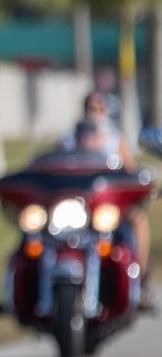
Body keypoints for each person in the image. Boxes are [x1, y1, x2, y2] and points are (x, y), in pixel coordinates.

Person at [65, 90, 153, 308]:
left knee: (138, 221)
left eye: (99, 108)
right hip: (79, 207)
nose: (95, 113)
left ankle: (140, 281)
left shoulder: (115, 139)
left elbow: (131, 173)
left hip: (110, 207)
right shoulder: (71, 139)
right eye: (91, 108)